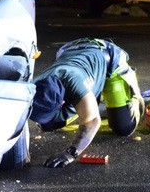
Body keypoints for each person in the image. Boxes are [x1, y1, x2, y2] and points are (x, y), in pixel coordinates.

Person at [29, 38, 143, 168]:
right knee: (48, 124)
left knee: (123, 127)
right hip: (70, 52)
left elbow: (92, 121)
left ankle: (134, 98)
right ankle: (89, 102)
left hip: (108, 59)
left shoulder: (75, 82)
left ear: (62, 103)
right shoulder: (32, 86)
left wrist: (70, 154)